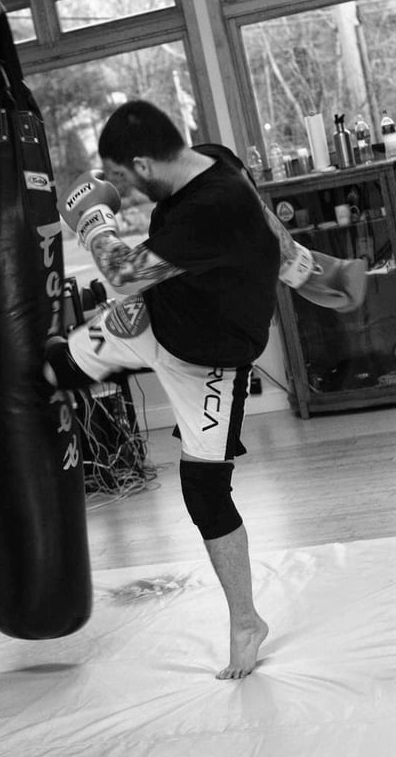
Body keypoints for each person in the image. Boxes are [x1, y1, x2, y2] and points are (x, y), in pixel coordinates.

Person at [45, 100, 366, 680]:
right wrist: (306, 271)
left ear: (144, 164)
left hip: (210, 364)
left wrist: (93, 220)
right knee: (53, 368)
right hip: (153, 318)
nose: (124, 188)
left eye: (121, 177)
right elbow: (267, 229)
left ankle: (246, 622)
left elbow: (123, 273)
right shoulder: (216, 159)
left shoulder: (210, 208)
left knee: (205, 492)